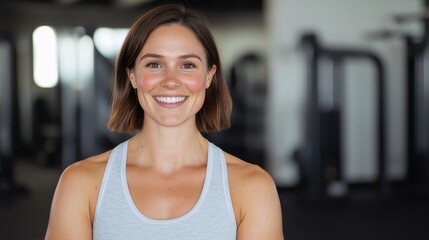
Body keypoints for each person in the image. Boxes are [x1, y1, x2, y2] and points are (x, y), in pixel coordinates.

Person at [45, 4, 283, 240]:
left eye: (187, 65)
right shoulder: (80, 183)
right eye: (154, 64)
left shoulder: (253, 187)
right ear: (132, 76)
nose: (171, 80)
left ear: (209, 76)